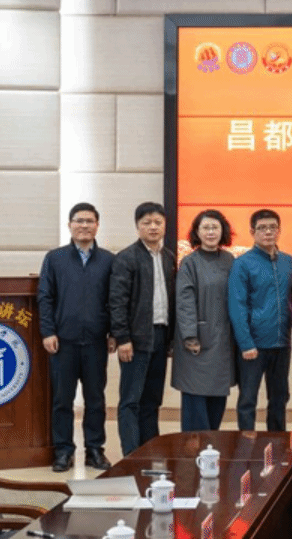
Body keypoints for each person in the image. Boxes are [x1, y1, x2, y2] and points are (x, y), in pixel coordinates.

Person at [37, 202, 115, 472]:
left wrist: (114, 332)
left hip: (96, 341)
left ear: (97, 225)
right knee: (62, 400)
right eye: (79, 221)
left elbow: (115, 300)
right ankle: (63, 451)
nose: (84, 225)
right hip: (63, 342)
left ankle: (94, 449)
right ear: (69, 225)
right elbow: (45, 297)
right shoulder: (55, 258)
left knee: (95, 399)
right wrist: (48, 331)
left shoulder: (108, 260)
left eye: (89, 221)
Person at [109, 201, 176, 456]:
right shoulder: (126, 258)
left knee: (152, 400)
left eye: (158, 222)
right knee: (131, 401)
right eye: (147, 222)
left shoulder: (169, 257)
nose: (153, 227)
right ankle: (131, 455)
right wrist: (122, 338)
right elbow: (117, 301)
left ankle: (150, 451)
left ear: (165, 226)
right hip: (135, 339)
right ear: (137, 226)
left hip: (161, 336)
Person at [228, 209, 292, 431]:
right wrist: (246, 343)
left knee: (279, 398)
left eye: (272, 227)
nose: (268, 232)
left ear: (279, 230)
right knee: (248, 400)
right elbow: (237, 305)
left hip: (281, 343)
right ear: (252, 232)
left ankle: (277, 444)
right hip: (253, 345)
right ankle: (247, 445)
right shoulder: (243, 263)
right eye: (262, 228)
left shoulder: (288, 262)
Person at [171, 210, 236, 432]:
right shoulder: (189, 262)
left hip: (223, 341)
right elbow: (184, 301)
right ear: (197, 233)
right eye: (205, 228)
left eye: (215, 227)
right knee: (195, 401)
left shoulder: (229, 260)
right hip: (196, 343)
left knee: (217, 401)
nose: (210, 232)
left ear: (223, 231)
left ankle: (211, 447)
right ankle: (195, 450)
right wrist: (190, 335)